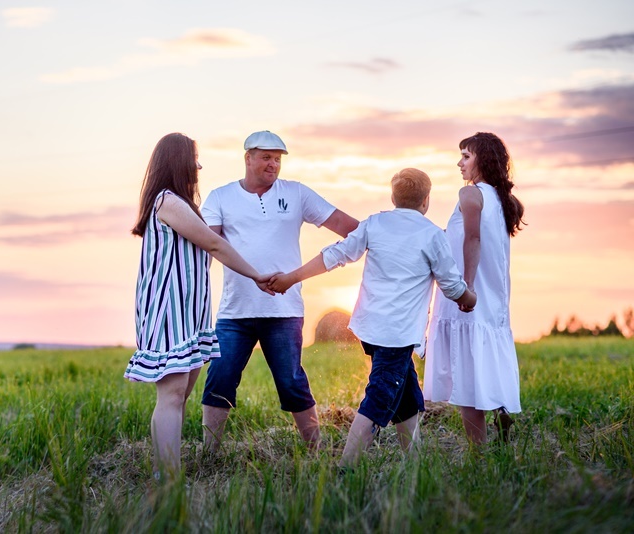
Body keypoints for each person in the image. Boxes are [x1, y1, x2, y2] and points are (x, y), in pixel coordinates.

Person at [270, 168, 477, 466]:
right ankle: (346, 468)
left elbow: (335, 255)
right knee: (380, 394)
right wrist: (469, 299)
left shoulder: (374, 223)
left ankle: (415, 466)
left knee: (405, 395)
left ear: (393, 197)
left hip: (370, 330)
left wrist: (292, 277)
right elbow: (452, 285)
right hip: (398, 333)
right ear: (426, 201)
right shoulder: (432, 234)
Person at [124, 133, 275, 479]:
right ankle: (169, 481)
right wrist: (256, 275)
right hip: (168, 310)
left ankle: (169, 472)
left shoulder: (180, 203)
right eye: (194, 158)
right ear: (177, 160)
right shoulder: (167, 202)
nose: (199, 165)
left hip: (188, 310)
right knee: (173, 395)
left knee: (180, 394)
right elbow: (214, 244)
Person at [200, 130, 360, 451]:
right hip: (235, 313)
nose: (273, 165)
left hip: (284, 311)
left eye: (277, 159)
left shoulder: (298, 194)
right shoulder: (220, 197)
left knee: (291, 382)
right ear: (248, 158)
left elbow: (349, 227)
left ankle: (315, 451)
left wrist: (388, 232)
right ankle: (208, 454)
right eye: (266, 158)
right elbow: (208, 246)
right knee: (220, 380)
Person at [423, 132, 525, 445]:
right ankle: (501, 412)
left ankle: (477, 456)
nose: (459, 163)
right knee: (488, 361)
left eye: (466, 156)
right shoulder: (504, 200)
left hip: (472, 293)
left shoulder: (470, 195)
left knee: (467, 376)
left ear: (483, 159)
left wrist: (465, 287)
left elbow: (473, 239)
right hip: (495, 297)